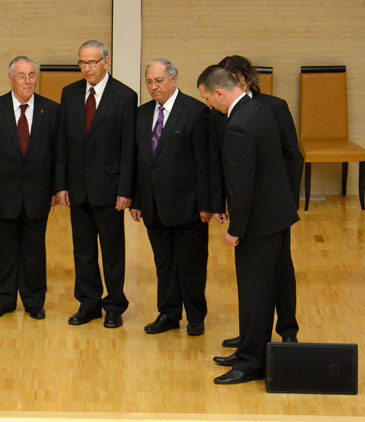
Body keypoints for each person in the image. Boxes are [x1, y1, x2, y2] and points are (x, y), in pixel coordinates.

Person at [197, 65, 299, 384]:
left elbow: (242, 183)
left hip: (257, 224)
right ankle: (251, 349)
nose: (208, 106)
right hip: (277, 216)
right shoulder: (260, 109)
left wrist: (235, 228)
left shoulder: (238, 125)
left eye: (207, 99)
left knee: (255, 293)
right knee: (266, 289)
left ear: (219, 92)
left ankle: (251, 363)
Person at [0, 56, 60, 320]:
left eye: (32, 75)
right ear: (10, 78)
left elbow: (59, 154)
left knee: (35, 250)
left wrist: (57, 188)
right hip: (2, 193)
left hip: (38, 194)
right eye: (21, 76)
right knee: (3, 250)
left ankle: (34, 301)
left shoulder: (52, 110)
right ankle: (3, 300)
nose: (28, 81)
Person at [56, 40, 136, 328]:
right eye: (82, 62)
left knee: (113, 251)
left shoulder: (125, 96)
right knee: (83, 250)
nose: (86, 68)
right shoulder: (70, 93)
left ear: (106, 62)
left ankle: (114, 305)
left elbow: (129, 148)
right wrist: (61, 183)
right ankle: (88, 303)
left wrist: (126, 190)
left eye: (92, 62)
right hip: (77, 187)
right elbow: (63, 142)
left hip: (110, 189)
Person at [129, 59, 212, 336]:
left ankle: (196, 316)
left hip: (188, 206)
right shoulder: (141, 114)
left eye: (159, 81)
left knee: (191, 264)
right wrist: (137, 200)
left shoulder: (196, 112)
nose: (154, 87)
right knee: (163, 264)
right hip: (154, 206)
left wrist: (206, 204)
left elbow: (205, 163)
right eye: (149, 82)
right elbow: (141, 162)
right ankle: (169, 313)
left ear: (174, 79)